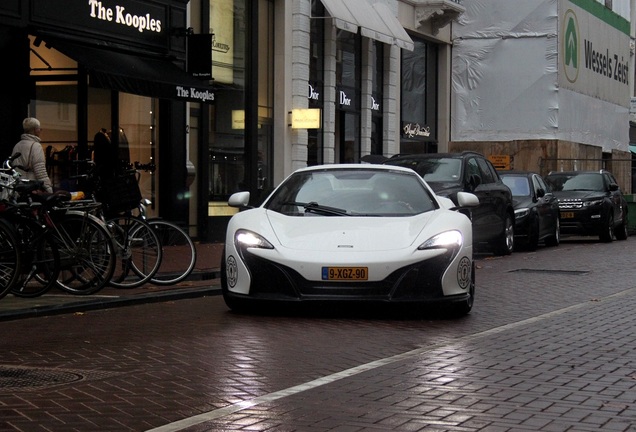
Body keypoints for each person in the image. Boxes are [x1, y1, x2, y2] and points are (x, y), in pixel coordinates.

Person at [12, 117, 53, 193]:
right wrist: (48, 188)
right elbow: (40, 171)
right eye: (39, 128)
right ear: (35, 130)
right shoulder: (36, 146)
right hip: (31, 186)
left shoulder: (17, 145)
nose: (40, 131)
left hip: (18, 186)